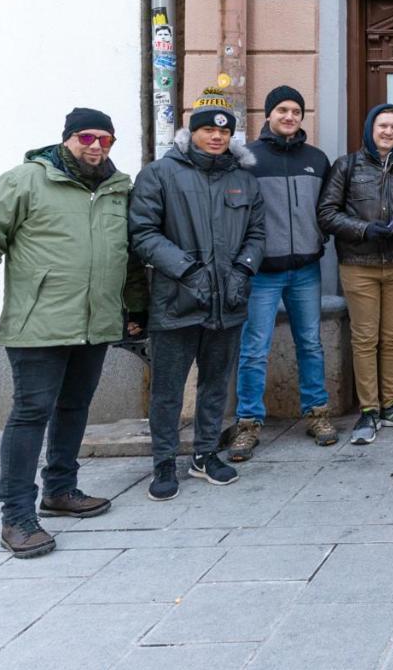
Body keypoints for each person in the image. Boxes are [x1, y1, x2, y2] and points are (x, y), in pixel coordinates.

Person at [0, 108, 146, 558]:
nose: (96, 146)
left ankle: (60, 488)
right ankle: (16, 516)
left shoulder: (119, 188)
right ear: (67, 139)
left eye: (105, 139)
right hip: (38, 324)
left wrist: (137, 305)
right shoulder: (25, 180)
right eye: (86, 137)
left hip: (95, 323)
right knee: (30, 413)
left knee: (75, 406)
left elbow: (128, 255)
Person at [129, 91, 265, 501]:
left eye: (224, 130)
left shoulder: (244, 179)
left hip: (228, 302)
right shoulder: (160, 174)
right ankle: (164, 461)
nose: (216, 137)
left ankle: (206, 453)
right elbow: (143, 233)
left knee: (215, 383)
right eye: (208, 129)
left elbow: (257, 233)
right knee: (168, 388)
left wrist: (244, 269)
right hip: (178, 299)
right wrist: (186, 270)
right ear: (193, 132)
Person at [318, 104, 393, 445]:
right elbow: (326, 213)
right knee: (365, 338)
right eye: (383, 125)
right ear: (371, 128)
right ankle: (369, 410)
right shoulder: (347, 165)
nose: (388, 132)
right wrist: (364, 229)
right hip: (359, 264)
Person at [230, 86, 335, 461]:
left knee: (311, 343)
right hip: (262, 272)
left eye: (295, 111)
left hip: (306, 268)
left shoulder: (317, 159)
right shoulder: (247, 159)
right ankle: (248, 423)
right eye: (282, 110)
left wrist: (318, 237)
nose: (289, 117)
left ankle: (317, 413)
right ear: (268, 114)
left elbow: (326, 208)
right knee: (254, 348)